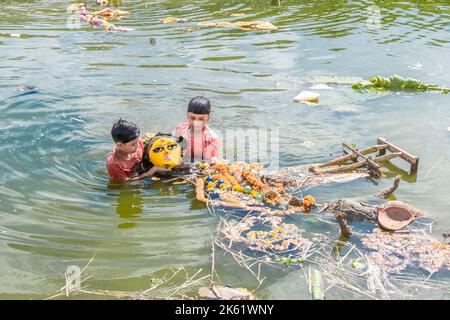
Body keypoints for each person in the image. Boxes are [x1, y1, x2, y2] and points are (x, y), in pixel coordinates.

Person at [173, 96, 221, 163]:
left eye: (201, 119)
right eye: (192, 118)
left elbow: (208, 163)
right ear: (187, 115)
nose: (196, 123)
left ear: (208, 117)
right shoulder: (180, 129)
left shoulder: (211, 139)